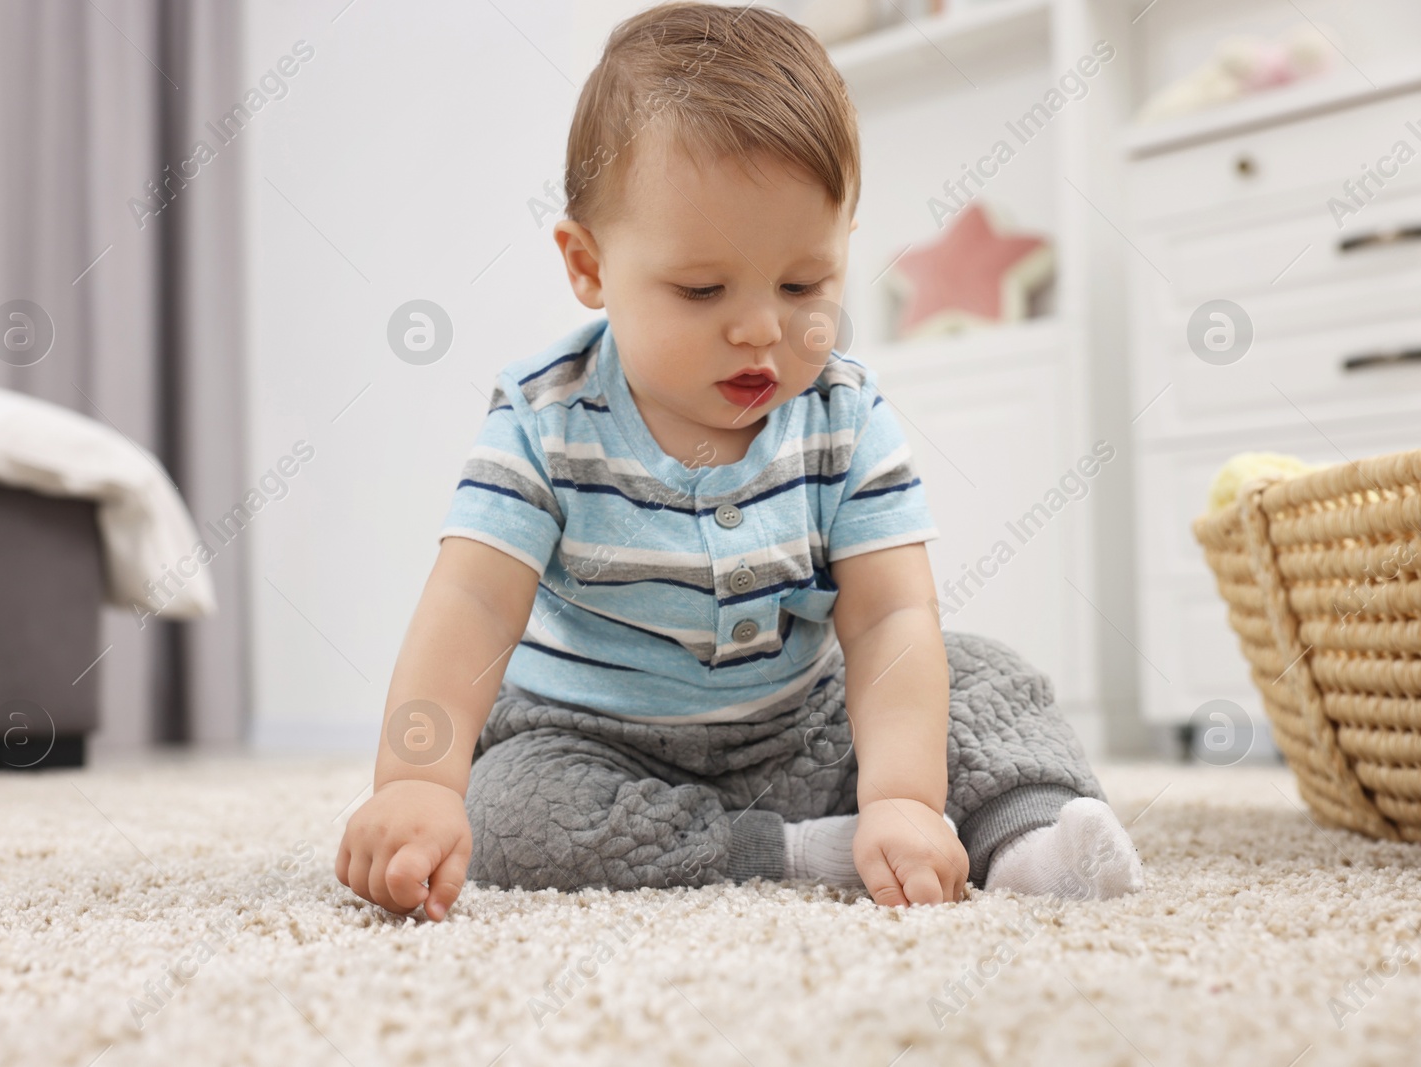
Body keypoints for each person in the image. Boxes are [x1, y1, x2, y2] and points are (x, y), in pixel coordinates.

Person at [336, 1, 1142, 921]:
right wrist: (417, 781)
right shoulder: (543, 415)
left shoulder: (844, 412)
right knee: (508, 806)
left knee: (981, 674)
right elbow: (474, 603)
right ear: (588, 264)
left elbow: (887, 620)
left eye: (804, 284)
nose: (762, 327)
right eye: (702, 288)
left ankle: (1028, 831)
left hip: (801, 726)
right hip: (598, 742)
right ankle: (797, 851)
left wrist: (905, 797)